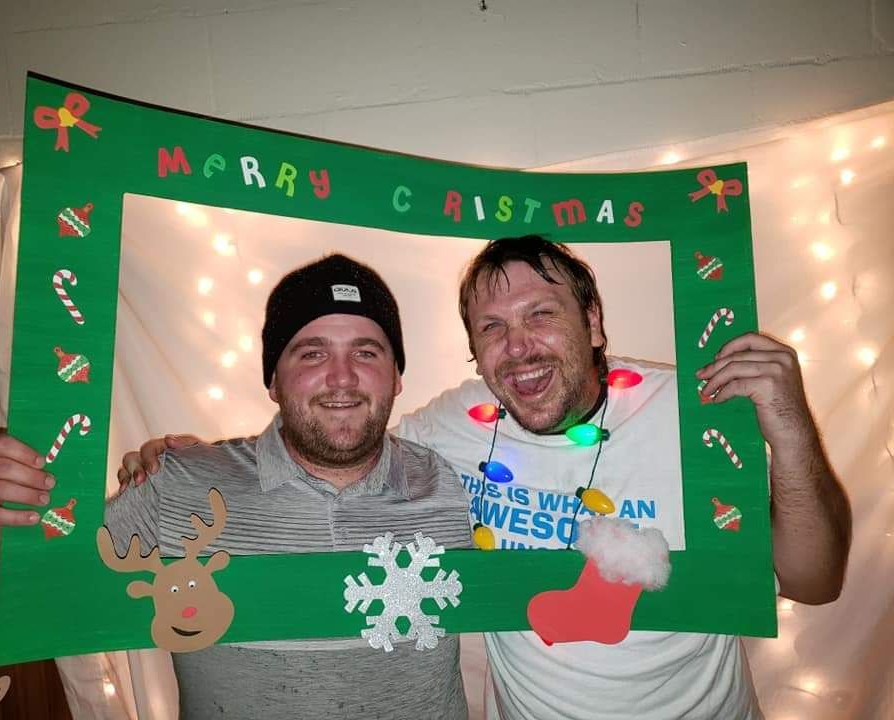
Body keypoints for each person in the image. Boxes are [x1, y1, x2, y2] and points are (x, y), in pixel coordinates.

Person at [119, 235, 853, 720]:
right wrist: (187, 459)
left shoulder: (693, 413)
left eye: (541, 313)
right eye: (492, 330)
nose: (519, 347)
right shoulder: (452, 431)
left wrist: (789, 425)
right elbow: (342, 438)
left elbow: (814, 581)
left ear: (593, 320)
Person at [0, 254, 474, 719]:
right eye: (311, 353)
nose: (341, 377)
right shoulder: (179, 484)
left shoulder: (449, 482)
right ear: (272, 379)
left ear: (397, 376)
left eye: (366, 352)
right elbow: (25, 602)